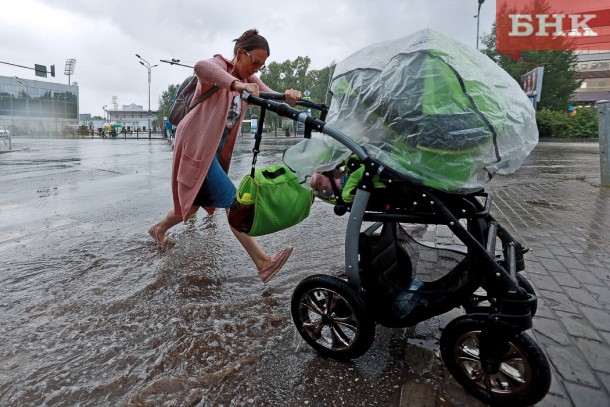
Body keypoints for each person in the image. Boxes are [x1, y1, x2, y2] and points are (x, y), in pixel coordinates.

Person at [148, 29, 301, 284]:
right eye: (254, 62)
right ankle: (263, 262)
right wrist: (237, 84)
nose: (256, 69)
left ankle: (158, 229)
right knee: (234, 203)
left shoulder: (250, 79)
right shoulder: (220, 68)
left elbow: (271, 98)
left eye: (261, 66)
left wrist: (290, 99)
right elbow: (200, 67)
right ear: (241, 53)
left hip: (213, 153)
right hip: (197, 148)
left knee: (193, 204)